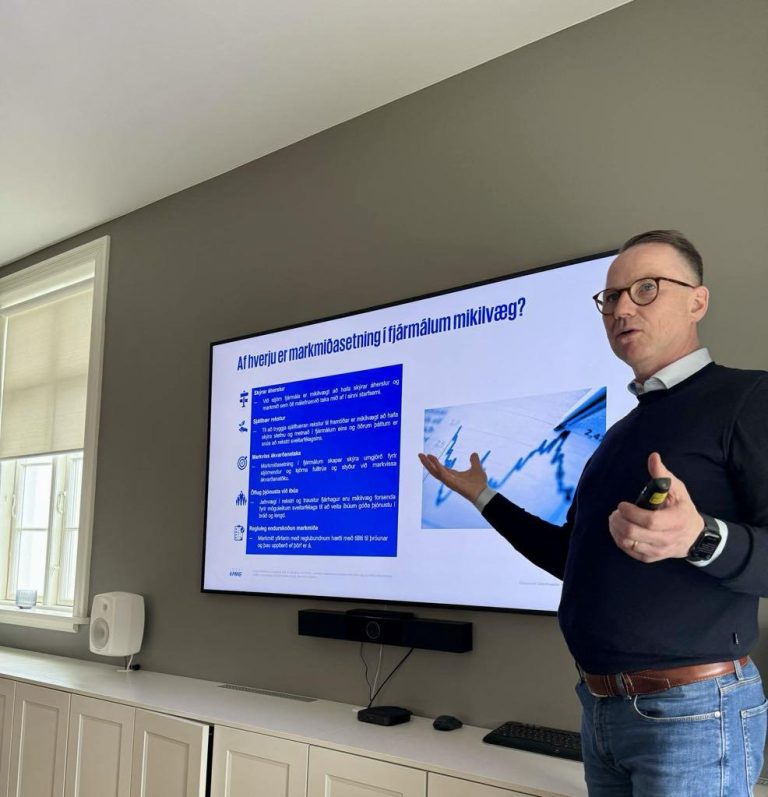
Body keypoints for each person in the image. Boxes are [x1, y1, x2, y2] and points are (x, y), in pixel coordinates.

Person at [420, 230, 768, 796]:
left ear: (697, 301)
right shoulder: (619, 435)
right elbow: (571, 558)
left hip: (692, 715)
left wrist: (699, 537)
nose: (623, 308)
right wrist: (483, 497)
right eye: (611, 297)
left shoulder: (750, 400)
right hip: (602, 711)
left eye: (646, 288)